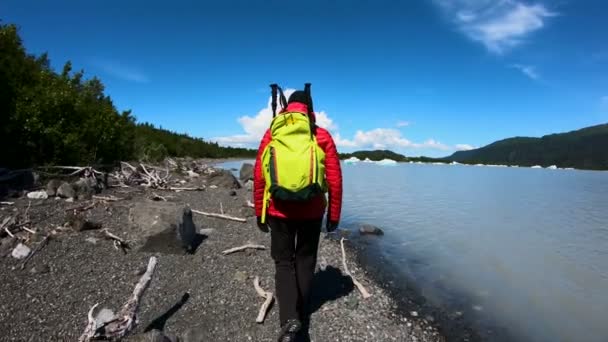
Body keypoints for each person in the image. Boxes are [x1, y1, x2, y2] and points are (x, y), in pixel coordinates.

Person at [253, 87, 343, 342]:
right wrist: (334, 215)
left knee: (283, 263)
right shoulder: (320, 135)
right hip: (312, 211)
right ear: (309, 109)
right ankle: (301, 316)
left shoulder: (272, 133)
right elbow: (335, 179)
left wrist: (260, 213)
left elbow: (259, 175)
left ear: (286, 108)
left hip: (277, 210)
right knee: (305, 260)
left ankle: (288, 321)